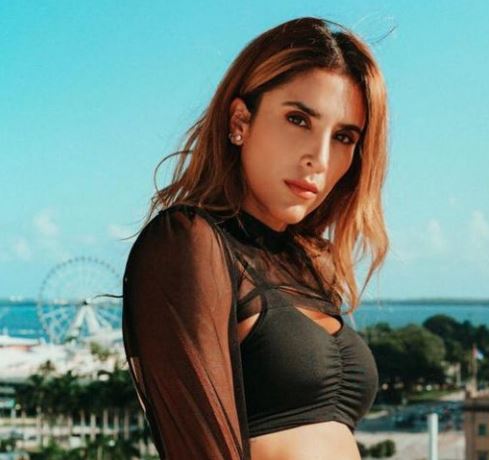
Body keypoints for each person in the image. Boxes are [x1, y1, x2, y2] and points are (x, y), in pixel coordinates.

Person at [121, 16, 390, 460]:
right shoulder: (187, 242)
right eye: (298, 119)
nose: (320, 158)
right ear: (240, 120)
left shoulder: (305, 262)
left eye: (344, 137)